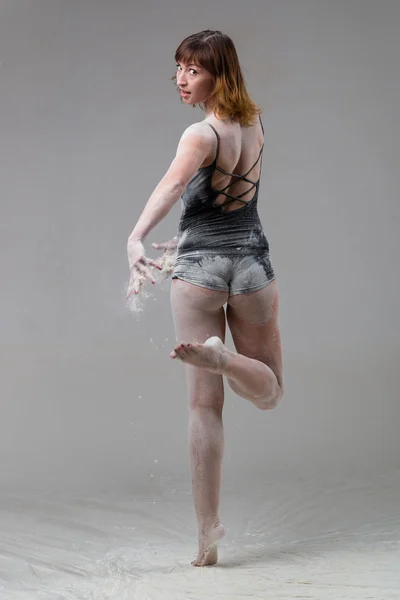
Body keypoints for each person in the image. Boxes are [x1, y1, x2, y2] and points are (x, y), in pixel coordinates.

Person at [126, 30, 284, 567]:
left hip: (198, 274)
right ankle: (227, 359)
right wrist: (189, 234)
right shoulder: (256, 123)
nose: (180, 79)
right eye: (178, 68)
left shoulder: (199, 133)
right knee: (270, 393)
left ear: (220, 74)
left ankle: (206, 536)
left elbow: (173, 188)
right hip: (253, 265)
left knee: (203, 405)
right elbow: (224, 201)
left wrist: (136, 238)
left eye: (192, 70)